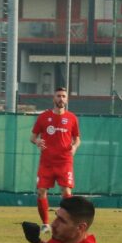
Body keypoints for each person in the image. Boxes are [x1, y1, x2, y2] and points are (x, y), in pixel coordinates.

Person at [30, 87, 81, 234]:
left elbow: (77, 139)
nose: (61, 99)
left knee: (66, 192)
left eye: (64, 96)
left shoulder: (72, 118)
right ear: (54, 98)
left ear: (67, 99)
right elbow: (32, 137)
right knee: (41, 191)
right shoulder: (43, 117)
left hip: (64, 161)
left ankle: (69, 222)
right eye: (58, 96)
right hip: (46, 162)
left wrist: (75, 147)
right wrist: (37, 141)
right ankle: (45, 224)